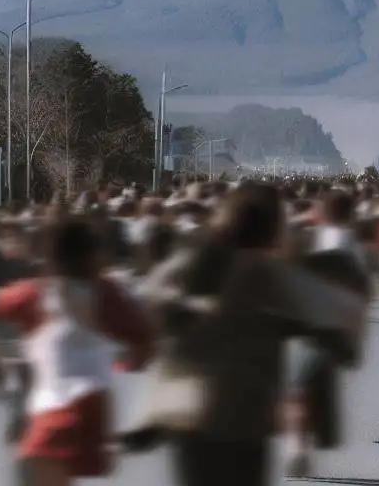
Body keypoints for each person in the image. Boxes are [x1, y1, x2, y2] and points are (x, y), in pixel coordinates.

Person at [135, 181, 365, 486]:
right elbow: (339, 310)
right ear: (273, 226)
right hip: (240, 412)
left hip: (185, 410)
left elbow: (150, 297)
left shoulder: (193, 255)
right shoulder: (266, 273)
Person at [0, 216, 153, 486]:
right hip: (94, 405)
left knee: (31, 469)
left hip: (57, 408)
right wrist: (122, 364)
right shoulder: (107, 293)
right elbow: (142, 342)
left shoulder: (37, 293)